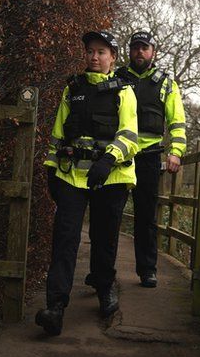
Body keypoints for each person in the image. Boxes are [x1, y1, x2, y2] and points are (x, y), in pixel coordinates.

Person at [36, 31, 139, 336]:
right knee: (65, 239)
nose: (94, 57)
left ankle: (105, 287)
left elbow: (130, 135)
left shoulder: (124, 91)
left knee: (104, 237)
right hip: (72, 176)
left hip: (112, 177)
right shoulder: (73, 90)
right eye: (91, 52)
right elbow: (57, 135)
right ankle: (55, 307)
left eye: (101, 52)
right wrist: (51, 171)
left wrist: (107, 161)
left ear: (113, 58)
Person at [105, 30, 186, 287]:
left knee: (146, 217)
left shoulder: (166, 84)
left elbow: (177, 121)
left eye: (145, 47)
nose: (140, 51)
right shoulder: (116, 78)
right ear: (129, 51)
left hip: (149, 157)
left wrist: (176, 152)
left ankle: (147, 270)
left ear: (154, 51)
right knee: (109, 215)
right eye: (136, 47)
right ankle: (103, 271)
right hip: (118, 156)